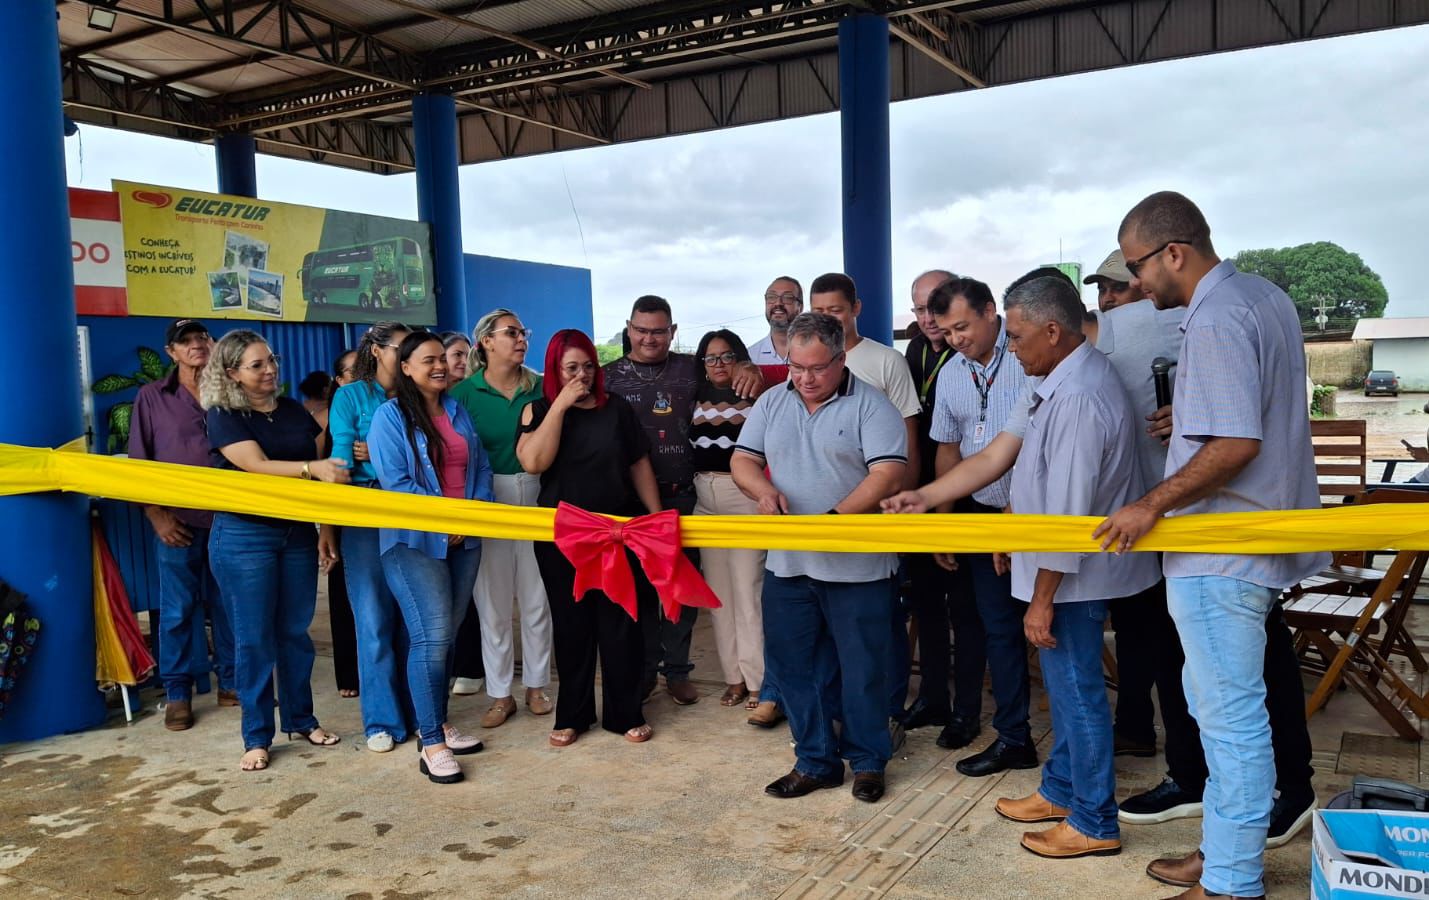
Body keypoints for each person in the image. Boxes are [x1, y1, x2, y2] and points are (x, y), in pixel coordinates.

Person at [1095, 191, 1327, 900]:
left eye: (1137, 266)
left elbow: (1235, 444)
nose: (1135, 283)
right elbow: (1243, 420)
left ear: (1174, 253)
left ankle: (1231, 880)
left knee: (1228, 721)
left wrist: (1148, 503)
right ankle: (1222, 848)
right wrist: (1190, 417)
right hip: (1246, 542)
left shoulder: (1218, 316)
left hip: (1219, 550)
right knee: (1220, 708)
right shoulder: (1261, 297)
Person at [991, 276, 1160, 859]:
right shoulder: (1065, 379)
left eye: (1016, 337)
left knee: (1079, 694)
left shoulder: (1082, 394)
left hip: (1072, 579)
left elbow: (1068, 515)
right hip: (1065, 570)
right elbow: (1042, 478)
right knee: (1066, 693)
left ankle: (1093, 820)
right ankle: (1061, 790)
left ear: (1051, 331)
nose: (1011, 348)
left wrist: (1041, 600)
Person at [731, 312, 907, 804]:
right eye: (796, 367)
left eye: (817, 368)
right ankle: (814, 761)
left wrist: (834, 518)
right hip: (789, 565)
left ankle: (868, 761)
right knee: (794, 667)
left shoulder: (872, 406)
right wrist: (762, 490)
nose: (805, 378)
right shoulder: (772, 401)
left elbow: (888, 474)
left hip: (858, 567)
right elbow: (742, 460)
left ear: (841, 358)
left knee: (863, 668)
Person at [603, 295, 763, 705]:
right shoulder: (607, 377)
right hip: (628, 504)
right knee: (638, 592)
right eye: (641, 330)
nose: (649, 338)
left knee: (683, 590)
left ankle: (677, 671)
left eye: (659, 331)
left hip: (687, 497)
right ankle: (644, 673)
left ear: (672, 332)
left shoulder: (690, 368)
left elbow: (727, 369)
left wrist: (748, 366)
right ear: (628, 328)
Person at [201, 330, 349, 772]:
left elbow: (322, 460)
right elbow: (257, 466)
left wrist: (324, 527)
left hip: (297, 533)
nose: (270, 370)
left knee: (295, 633)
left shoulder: (290, 409)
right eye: (257, 365)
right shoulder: (224, 414)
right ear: (232, 373)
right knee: (254, 639)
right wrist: (312, 468)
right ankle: (256, 736)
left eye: (271, 360)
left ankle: (301, 719)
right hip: (244, 537)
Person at [517, 329, 662, 747]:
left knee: (621, 625)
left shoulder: (617, 408)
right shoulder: (536, 410)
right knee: (571, 625)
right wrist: (561, 405)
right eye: (570, 368)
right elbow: (533, 462)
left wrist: (655, 521)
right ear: (553, 371)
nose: (581, 375)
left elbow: (638, 463)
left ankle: (625, 712)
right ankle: (573, 714)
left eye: (588, 367)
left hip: (618, 533)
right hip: (564, 539)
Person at [368, 331, 493, 784]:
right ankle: (431, 743)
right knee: (432, 637)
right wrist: (447, 521)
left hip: (465, 538)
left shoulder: (457, 410)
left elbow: (480, 467)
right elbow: (397, 482)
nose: (440, 366)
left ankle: (437, 722)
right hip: (414, 543)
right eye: (428, 360)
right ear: (405, 368)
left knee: (448, 636)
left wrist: (472, 515)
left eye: (443, 358)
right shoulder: (389, 417)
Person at [926, 276, 1036, 776]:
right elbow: (948, 449)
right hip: (979, 512)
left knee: (1029, 626)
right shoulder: (952, 373)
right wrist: (944, 524)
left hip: (1034, 513)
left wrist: (1017, 511)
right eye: (947, 332)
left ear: (992, 311)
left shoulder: (1029, 358)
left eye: (962, 327)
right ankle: (990, 726)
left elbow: (1039, 445)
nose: (956, 339)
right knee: (984, 623)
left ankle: (1020, 735)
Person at [128, 318, 236, 731]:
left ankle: (232, 683)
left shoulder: (229, 392)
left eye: (201, 338)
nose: (196, 345)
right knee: (177, 610)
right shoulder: (152, 397)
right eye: (185, 341)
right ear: (171, 352)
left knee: (230, 604)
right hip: (177, 523)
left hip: (229, 518)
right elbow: (139, 462)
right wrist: (156, 514)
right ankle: (177, 693)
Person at [451, 309, 554, 728]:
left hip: (538, 493)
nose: (521, 339)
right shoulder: (463, 394)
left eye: (523, 332)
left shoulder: (542, 388)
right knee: (492, 602)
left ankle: (536, 686)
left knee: (537, 597)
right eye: (511, 333)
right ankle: (499, 694)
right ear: (486, 342)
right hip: (487, 497)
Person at [899, 271, 985, 750]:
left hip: (970, 496)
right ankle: (933, 697)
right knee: (927, 604)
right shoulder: (913, 352)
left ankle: (967, 711)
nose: (929, 318)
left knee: (966, 610)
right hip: (921, 497)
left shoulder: (970, 351)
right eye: (919, 309)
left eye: (935, 307)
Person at [325, 321, 413, 753]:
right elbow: (341, 462)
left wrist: (375, 455)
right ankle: (381, 721)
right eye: (402, 348)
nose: (409, 356)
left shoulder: (420, 395)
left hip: (413, 511)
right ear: (377, 351)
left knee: (415, 619)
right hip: (363, 513)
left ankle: (421, 714)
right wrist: (329, 525)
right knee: (373, 619)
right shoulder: (350, 397)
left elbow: (430, 460)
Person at [690, 329, 766, 710]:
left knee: (749, 592)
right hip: (704, 498)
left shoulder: (758, 396)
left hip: (744, 497)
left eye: (726, 356)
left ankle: (759, 682)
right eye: (711, 357)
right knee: (718, 596)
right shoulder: (694, 396)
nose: (718, 364)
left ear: (740, 358)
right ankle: (733, 678)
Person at [322, 349, 361, 700]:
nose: (361, 376)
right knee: (343, 594)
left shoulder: (383, 406)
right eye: (353, 372)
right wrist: (327, 528)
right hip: (344, 518)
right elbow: (327, 479)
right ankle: (349, 673)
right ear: (339, 380)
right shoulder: (336, 419)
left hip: (381, 516)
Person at [748, 276, 804, 376]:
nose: (778, 303)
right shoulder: (750, 357)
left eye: (787, 298)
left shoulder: (816, 353)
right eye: (771, 297)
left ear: (800, 307)